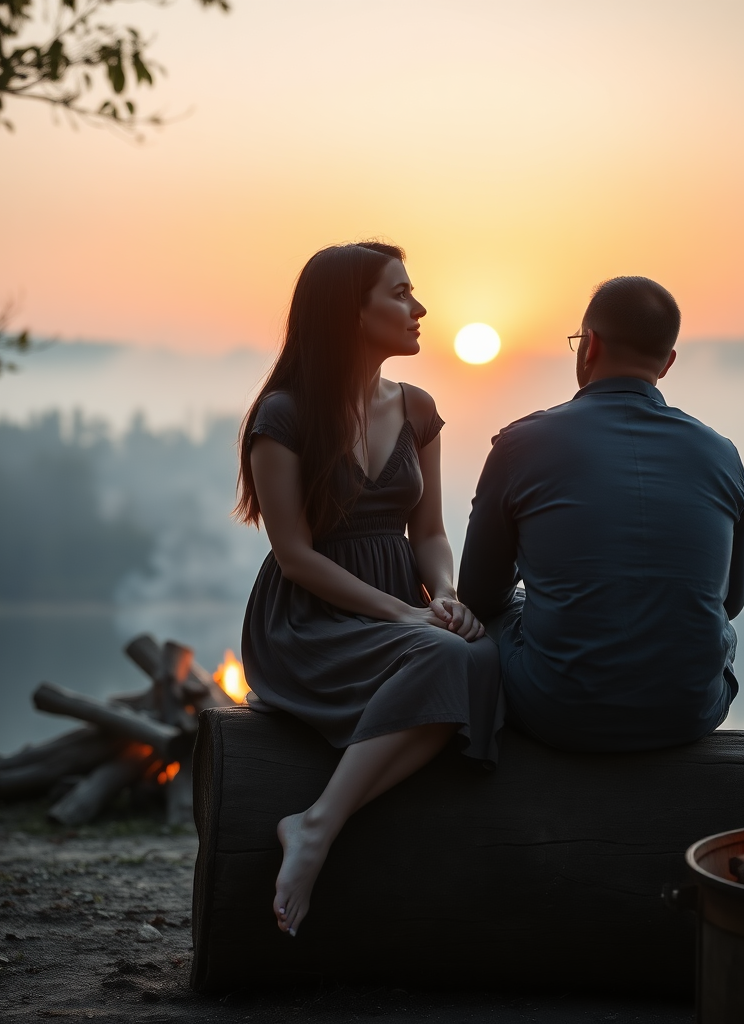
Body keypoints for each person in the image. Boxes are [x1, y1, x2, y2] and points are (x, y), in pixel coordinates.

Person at [236, 241, 503, 937]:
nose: (419, 308)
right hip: (309, 619)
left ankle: (319, 820)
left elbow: (432, 533)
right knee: (448, 659)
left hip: (400, 610)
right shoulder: (283, 416)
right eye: (400, 293)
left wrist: (441, 595)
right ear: (350, 312)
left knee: (475, 653)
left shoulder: (417, 409)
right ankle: (317, 830)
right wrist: (404, 616)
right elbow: (293, 555)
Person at [457, 276, 744, 753]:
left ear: (589, 345)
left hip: (555, 712)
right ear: (667, 362)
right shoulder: (721, 454)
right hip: (688, 713)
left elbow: (478, 595)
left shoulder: (519, 444)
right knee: (723, 632)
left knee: (497, 620)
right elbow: (728, 603)